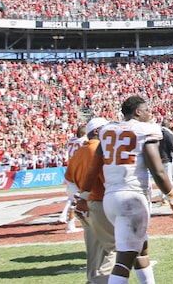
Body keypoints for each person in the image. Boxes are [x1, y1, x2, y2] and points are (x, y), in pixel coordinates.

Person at [98, 95, 173, 284]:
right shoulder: (146, 130)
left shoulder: (109, 129)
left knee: (141, 250)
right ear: (138, 112)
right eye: (147, 110)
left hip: (111, 197)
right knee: (124, 260)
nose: (150, 114)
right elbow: (157, 169)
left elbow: (97, 160)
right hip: (131, 198)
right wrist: (171, 195)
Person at [66, 117, 116, 284]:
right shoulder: (99, 150)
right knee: (117, 248)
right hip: (99, 202)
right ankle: (103, 281)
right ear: (97, 131)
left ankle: (93, 280)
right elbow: (105, 180)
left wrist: (79, 199)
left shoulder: (79, 151)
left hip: (83, 204)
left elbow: (70, 180)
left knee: (94, 252)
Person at [59, 124, 88, 232]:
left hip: (71, 169)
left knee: (74, 197)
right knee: (79, 197)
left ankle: (66, 218)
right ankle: (72, 223)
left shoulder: (71, 141)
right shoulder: (84, 141)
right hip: (80, 170)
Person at [157, 120, 173, 206]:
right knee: (168, 180)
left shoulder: (157, 133)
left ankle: (165, 197)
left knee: (161, 179)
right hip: (166, 158)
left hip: (158, 158)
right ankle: (167, 198)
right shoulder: (168, 134)